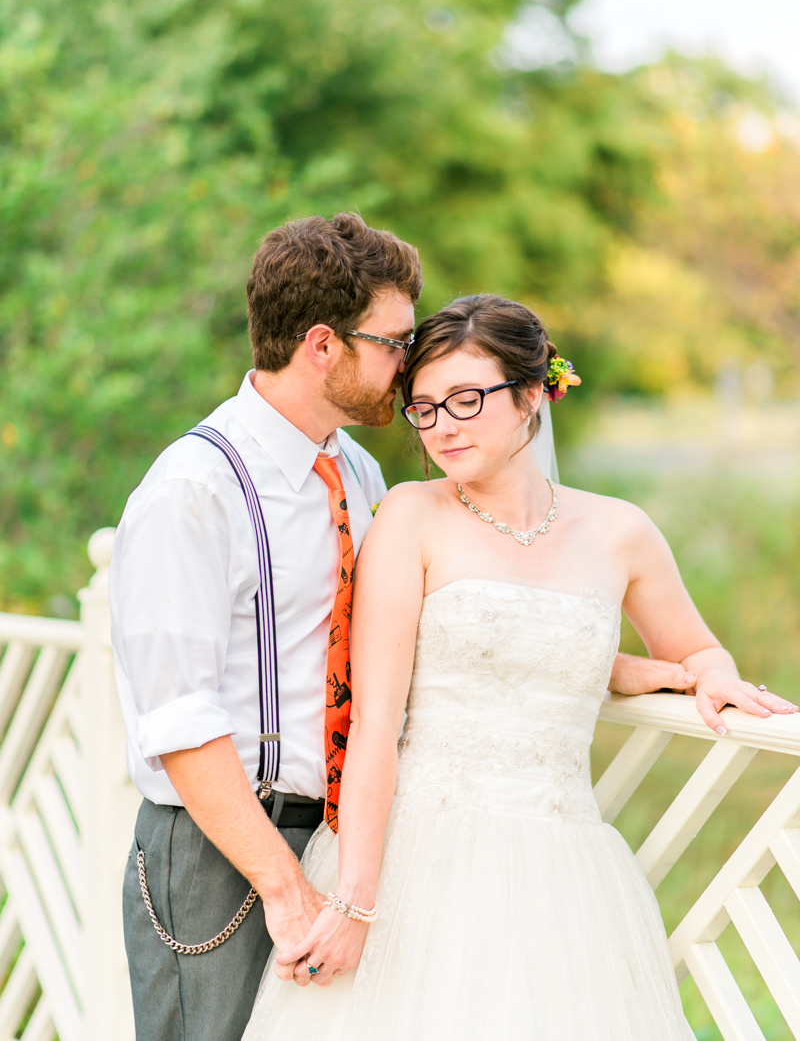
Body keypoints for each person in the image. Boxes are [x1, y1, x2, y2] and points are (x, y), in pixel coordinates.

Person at [111, 210, 696, 1041]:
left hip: (348, 832)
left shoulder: (355, 468)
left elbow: (435, 635)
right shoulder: (192, 490)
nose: (406, 361)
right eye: (393, 341)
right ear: (323, 346)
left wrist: (613, 665)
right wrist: (284, 885)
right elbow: (177, 720)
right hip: (225, 844)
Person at [243, 294, 798, 1041]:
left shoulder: (620, 531)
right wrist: (354, 902)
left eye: (468, 400)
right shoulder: (411, 517)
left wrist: (707, 675)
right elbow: (375, 725)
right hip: (418, 858)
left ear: (534, 393)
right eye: (426, 408)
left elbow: (695, 647)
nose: (443, 426)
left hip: (562, 872)